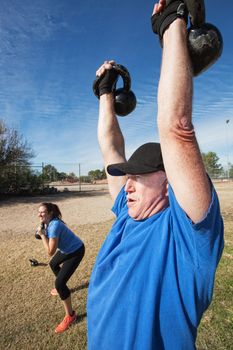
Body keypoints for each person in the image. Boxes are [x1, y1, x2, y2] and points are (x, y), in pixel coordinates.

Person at [87, 1, 224, 349]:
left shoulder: (188, 235)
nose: (126, 186)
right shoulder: (125, 215)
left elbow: (176, 128)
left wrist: (172, 22)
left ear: (168, 180)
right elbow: (110, 147)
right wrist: (106, 93)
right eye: (126, 178)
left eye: (138, 176)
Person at [37, 202, 85, 333]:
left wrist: (42, 235)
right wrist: (42, 232)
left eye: (42, 212)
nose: (39, 214)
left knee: (59, 282)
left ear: (50, 213)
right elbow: (48, 233)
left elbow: (50, 252)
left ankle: (70, 316)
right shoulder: (48, 222)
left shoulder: (54, 225)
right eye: (39, 212)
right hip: (66, 250)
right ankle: (62, 286)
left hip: (76, 250)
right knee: (53, 264)